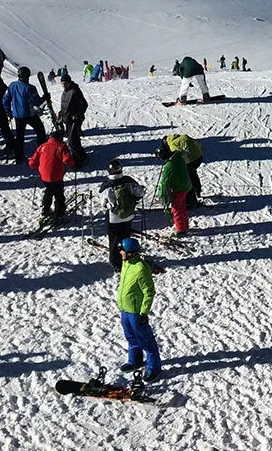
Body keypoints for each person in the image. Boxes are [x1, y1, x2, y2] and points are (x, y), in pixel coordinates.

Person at [117, 237, 161, 380]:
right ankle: (135, 361)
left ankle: (153, 368)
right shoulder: (126, 263)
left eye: (122, 250)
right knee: (130, 337)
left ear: (130, 253)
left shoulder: (141, 269)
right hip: (125, 310)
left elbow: (149, 292)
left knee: (146, 341)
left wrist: (144, 313)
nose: (120, 252)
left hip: (136, 312)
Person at [101, 158, 145, 271]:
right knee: (126, 237)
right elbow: (139, 193)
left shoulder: (107, 185)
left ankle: (116, 262)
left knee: (114, 240)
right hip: (128, 215)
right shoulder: (128, 180)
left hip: (114, 218)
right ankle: (128, 256)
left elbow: (103, 203)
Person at [29, 129, 75, 221]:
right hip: (56, 175)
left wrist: (35, 166)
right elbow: (67, 159)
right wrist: (73, 164)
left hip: (44, 175)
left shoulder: (42, 146)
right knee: (59, 194)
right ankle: (59, 213)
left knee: (49, 190)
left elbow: (32, 162)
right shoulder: (61, 146)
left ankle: (45, 210)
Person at [3, 67, 47, 161]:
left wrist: (8, 111)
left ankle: (18, 157)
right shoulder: (30, 88)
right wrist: (44, 98)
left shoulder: (12, 85)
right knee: (40, 131)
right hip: (29, 114)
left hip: (17, 115)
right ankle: (43, 152)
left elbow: (6, 100)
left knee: (20, 136)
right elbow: (37, 102)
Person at [156, 137, 192, 235]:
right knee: (181, 206)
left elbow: (165, 183)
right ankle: (185, 226)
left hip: (180, 187)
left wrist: (163, 196)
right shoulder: (177, 156)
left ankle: (181, 229)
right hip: (186, 184)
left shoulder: (169, 166)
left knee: (176, 208)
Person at [164, 132, 205, 208]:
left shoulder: (173, 144)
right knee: (192, 173)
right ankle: (197, 190)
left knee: (186, 178)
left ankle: (191, 201)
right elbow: (197, 143)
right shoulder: (183, 137)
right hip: (199, 157)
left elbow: (177, 157)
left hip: (192, 160)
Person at [57, 73, 87, 165]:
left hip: (74, 120)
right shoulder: (66, 91)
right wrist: (61, 112)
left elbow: (84, 105)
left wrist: (77, 115)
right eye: (62, 83)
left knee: (72, 142)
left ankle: (80, 159)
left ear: (69, 82)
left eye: (65, 83)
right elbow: (66, 105)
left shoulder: (75, 91)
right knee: (73, 140)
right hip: (67, 119)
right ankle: (80, 156)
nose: (63, 85)